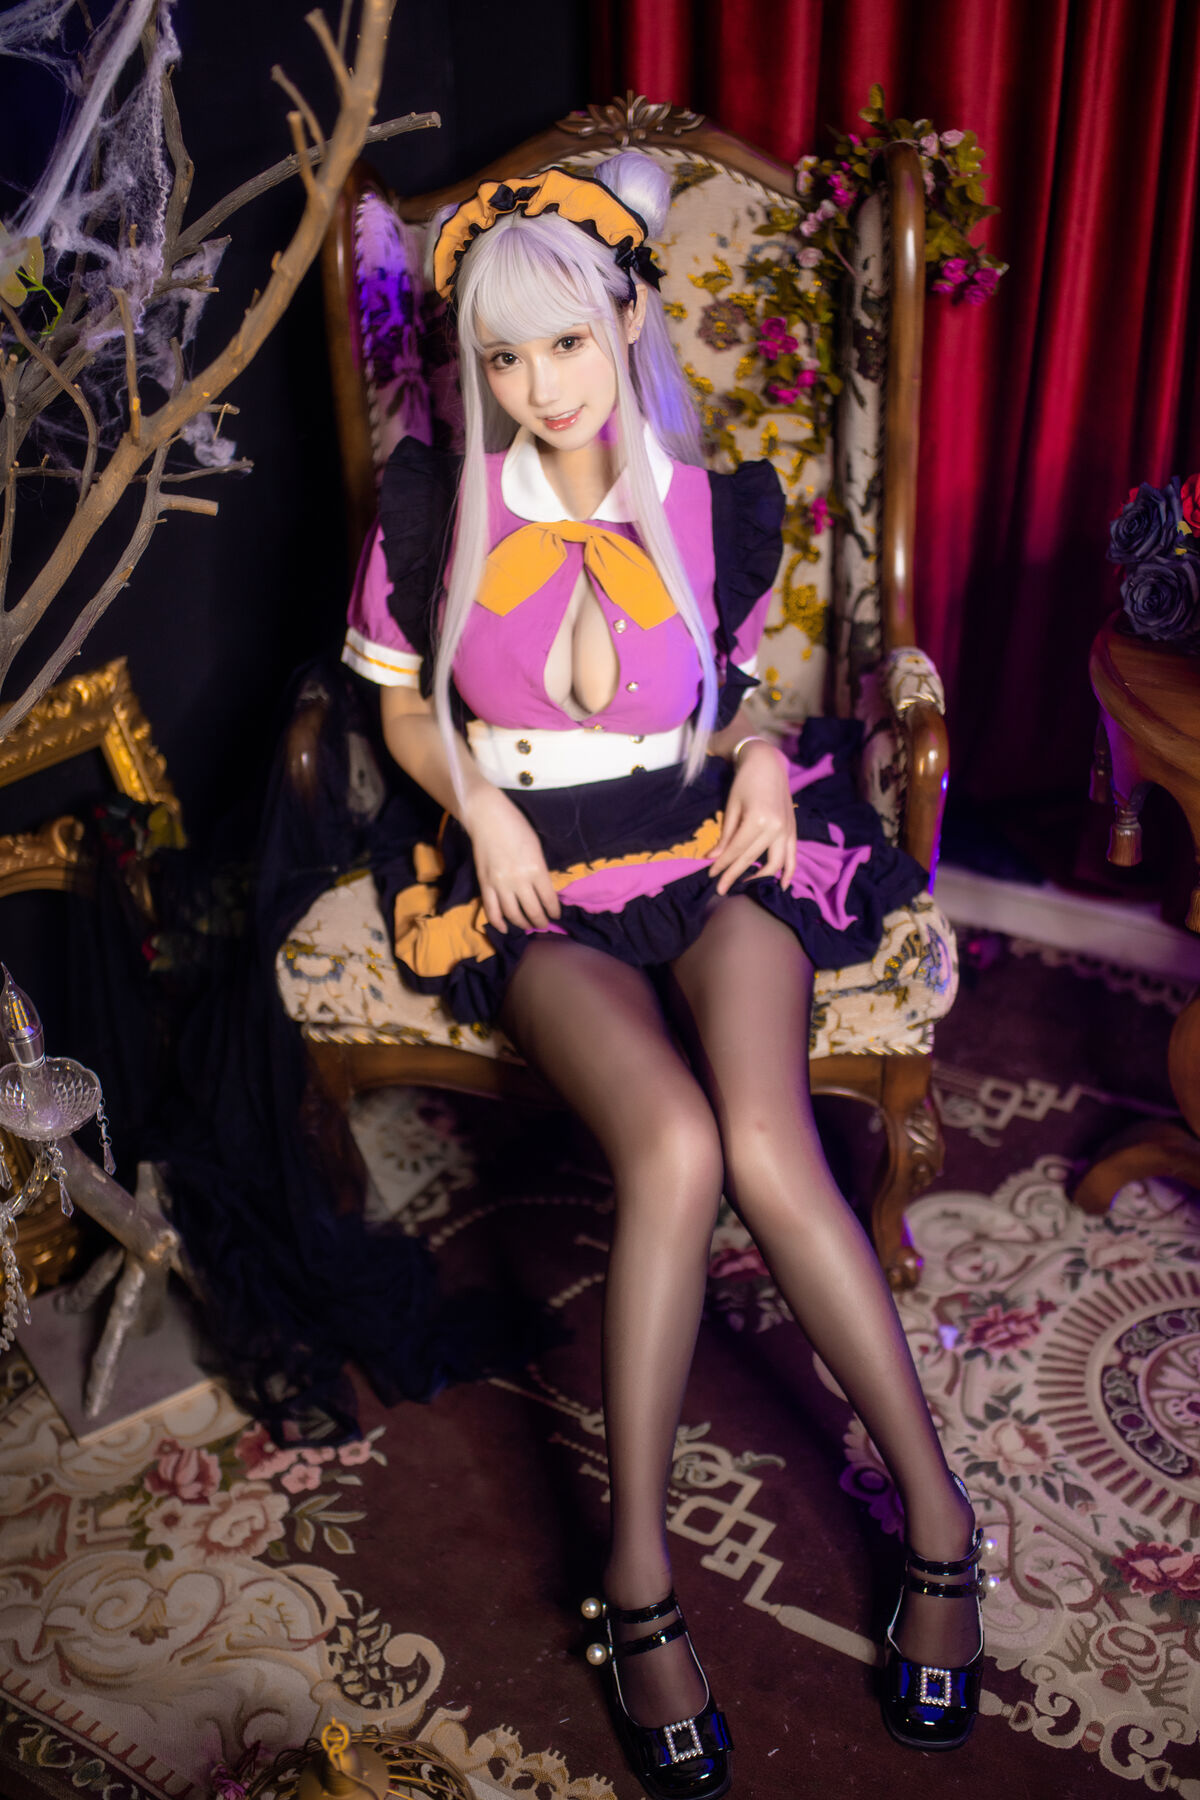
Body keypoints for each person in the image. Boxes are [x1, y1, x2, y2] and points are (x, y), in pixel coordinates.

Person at [342, 152, 985, 1798]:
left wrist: (763, 759)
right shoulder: (430, 510)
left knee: (766, 1139)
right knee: (675, 1147)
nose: (539, 386)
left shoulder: (710, 505)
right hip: (537, 875)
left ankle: (938, 1521)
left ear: (627, 323)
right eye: (503, 356)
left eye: (566, 342)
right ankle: (637, 1577)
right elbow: (402, 704)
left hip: (708, 840)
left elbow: (736, 688)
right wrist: (476, 802)